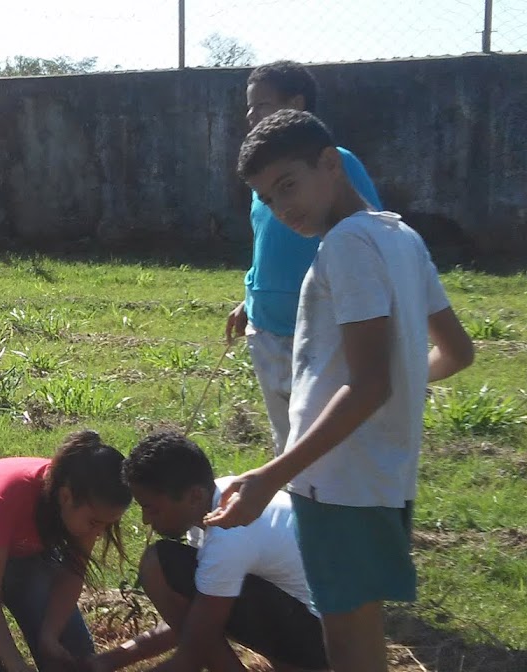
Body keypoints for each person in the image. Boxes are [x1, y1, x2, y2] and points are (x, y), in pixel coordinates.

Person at [206, 110, 475, 672]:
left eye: (288, 184)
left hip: (336, 483)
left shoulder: (345, 248)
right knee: (359, 631)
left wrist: (268, 477)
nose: (283, 208)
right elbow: (456, 351)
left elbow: (369, 383)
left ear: (330, 163)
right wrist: (399, 378)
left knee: (347, 646)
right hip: (380, 476)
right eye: (268, 198)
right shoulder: (399, 235)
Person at [225, 60, 382, 457]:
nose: (250, 116)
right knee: (287, 436)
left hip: (315, 330)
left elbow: (366, 231)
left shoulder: (334, 163)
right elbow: (267, 247)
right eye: (248, 109)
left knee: (324, 443)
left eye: (260, 106)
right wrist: (251, 298)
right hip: (266, 329)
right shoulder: (264, 180)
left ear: (296, 105)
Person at [89, 430, 327, 672]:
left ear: (194, 496)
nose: (146, 520)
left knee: (156, 564)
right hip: (321, 628)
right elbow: (195, 622)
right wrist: (112, 659)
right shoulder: (219, 499)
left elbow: (191, 655)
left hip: (319, 638)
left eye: (152, 508)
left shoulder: (228, 533)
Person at [0, 429, 132, 672]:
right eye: (94, 523)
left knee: (74, 652)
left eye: (107, 525)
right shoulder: (3, 498)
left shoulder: (88, 507)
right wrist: (16, 664)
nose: (99, 533)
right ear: (65, 496)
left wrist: (50, 635)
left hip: (26, 555)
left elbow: (72, 572)